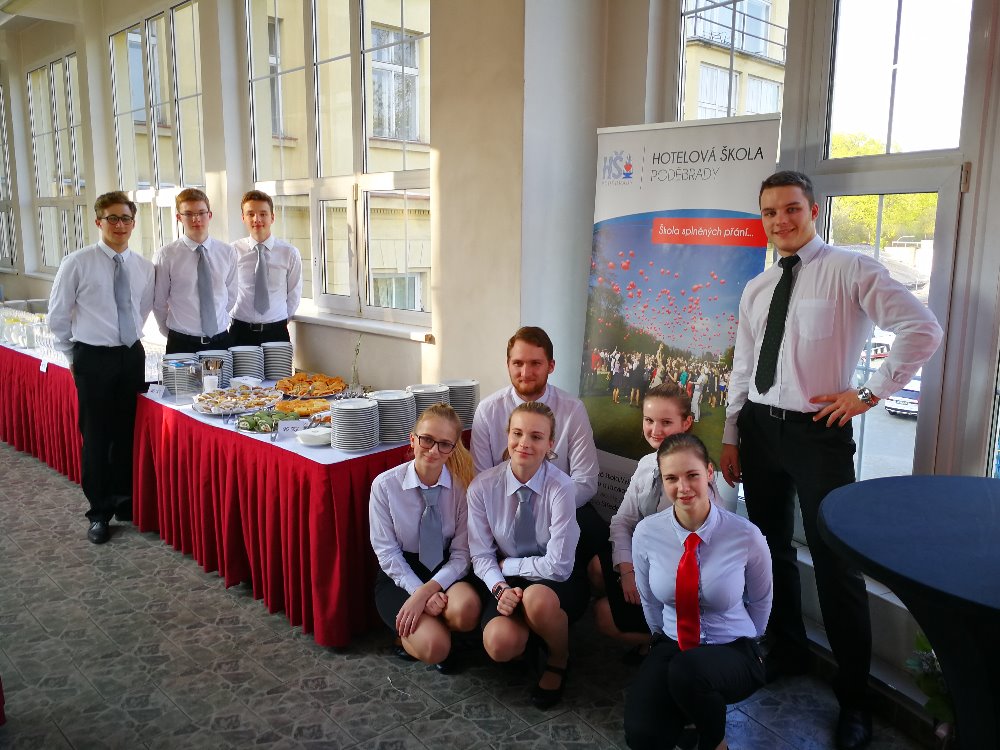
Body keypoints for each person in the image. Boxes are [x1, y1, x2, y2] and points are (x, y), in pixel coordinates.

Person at [720, 170, 943, 750]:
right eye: (770, 212)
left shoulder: (850, 270)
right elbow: (744, 366)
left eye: (791, 208)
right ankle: (788, 649)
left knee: (836, 565)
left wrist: (869, 392)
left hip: (819, 433)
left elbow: (922, 329)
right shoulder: (758, 287)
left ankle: (854, 699)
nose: (780, 221)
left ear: (813, 211)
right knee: (770, 550)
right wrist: (730, 433)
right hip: (759, 430)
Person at [624, 433, 772, 750]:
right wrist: (662, 638)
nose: (683, 487)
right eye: (671, 478)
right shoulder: (647, 533)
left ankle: (714, 743)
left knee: (688, 672)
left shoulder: (746, 535)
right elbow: (649, 599)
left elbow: (761, 600)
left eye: (692, 475)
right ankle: (689, 715)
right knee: (642, 736)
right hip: (673, 642)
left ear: (709, 473)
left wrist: (752, 643)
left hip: (732, 647)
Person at [47, 192, 155, 544]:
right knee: (96, 437)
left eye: (126, 219)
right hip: (92, 358)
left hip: (130, 355)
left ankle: (124, 502)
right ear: (98, 222)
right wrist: (73, 355)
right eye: (112, 218)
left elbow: (141, 309)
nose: (120, 225)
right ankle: (99, 513)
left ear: (133, 223)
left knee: (127, 433)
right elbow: (58, 316)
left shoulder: (143, 266)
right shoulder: (77, 263)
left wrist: (127, 339)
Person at [467, 402, 588, 709]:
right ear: (507, 435)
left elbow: (559, 567)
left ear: (550, 444)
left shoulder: (561, 487)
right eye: (517, 433)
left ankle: (559, 657)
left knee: (537, 601)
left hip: (555, 581)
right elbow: (480, 555)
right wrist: (500, 588)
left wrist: (509, 565)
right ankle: (529, 641)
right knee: (499, 644)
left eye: (536, 437)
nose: (524, 443)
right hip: (507, 579)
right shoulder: (482, 487)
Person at [596, 383, 725, 662]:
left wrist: (647, 580)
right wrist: (627, 570)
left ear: (687, 423)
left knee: (606, 615)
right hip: (648, 565)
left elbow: (703, 552)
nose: (655, 430)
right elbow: (622, 521)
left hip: (680, 581)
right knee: (598, 573)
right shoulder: (646, 463)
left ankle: (675, 640)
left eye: (666, 422)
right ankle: (656, 637)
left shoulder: (697, 477)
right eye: (649, 420)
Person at [471, 326, 604, 593]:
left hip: (563, 507)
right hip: (504, 510)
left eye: (535, 363)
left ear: (551, 366)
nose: (525, 372)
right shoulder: (488, 410)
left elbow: (586, 481)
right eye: (518, 363)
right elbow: (481, 477)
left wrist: (549, 508)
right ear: (508, 364)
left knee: (600, 557)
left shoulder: (572, 409)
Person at [369, 403, 481, 671]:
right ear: (413, 439)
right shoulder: (385, 486)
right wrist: (418, 593)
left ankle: (443, 628)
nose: (433, 450)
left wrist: (429, 590)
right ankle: (412, 637)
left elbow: (462, 554)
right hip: (401, 572)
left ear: (453, 448)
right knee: (435, 648)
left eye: (444, 444)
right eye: (427, 439)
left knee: (466, 610)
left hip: (446, 568)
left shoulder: (461, 487)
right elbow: (388, 553)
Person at [153, 188, 237, 354]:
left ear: (209, 215)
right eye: (188, 214)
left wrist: (214, 319)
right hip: (181, 343)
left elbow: (231, 296)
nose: (196, 219)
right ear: (179, 217)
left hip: (220, 340)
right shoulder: (166, 255)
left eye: (201, 213)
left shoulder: (227, 252)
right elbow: (159, 302)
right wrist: (171, 333)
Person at [229, 190, 303, 346]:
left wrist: (278, 320)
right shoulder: (232, 251)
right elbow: (224, 290)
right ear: (243, 218)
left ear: (272, 217)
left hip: (277, 332)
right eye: (250, 214)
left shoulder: (289, 253)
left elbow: (294, 294)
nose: (257, 219)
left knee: (280, 366)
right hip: (240, 332)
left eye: (263, 214)